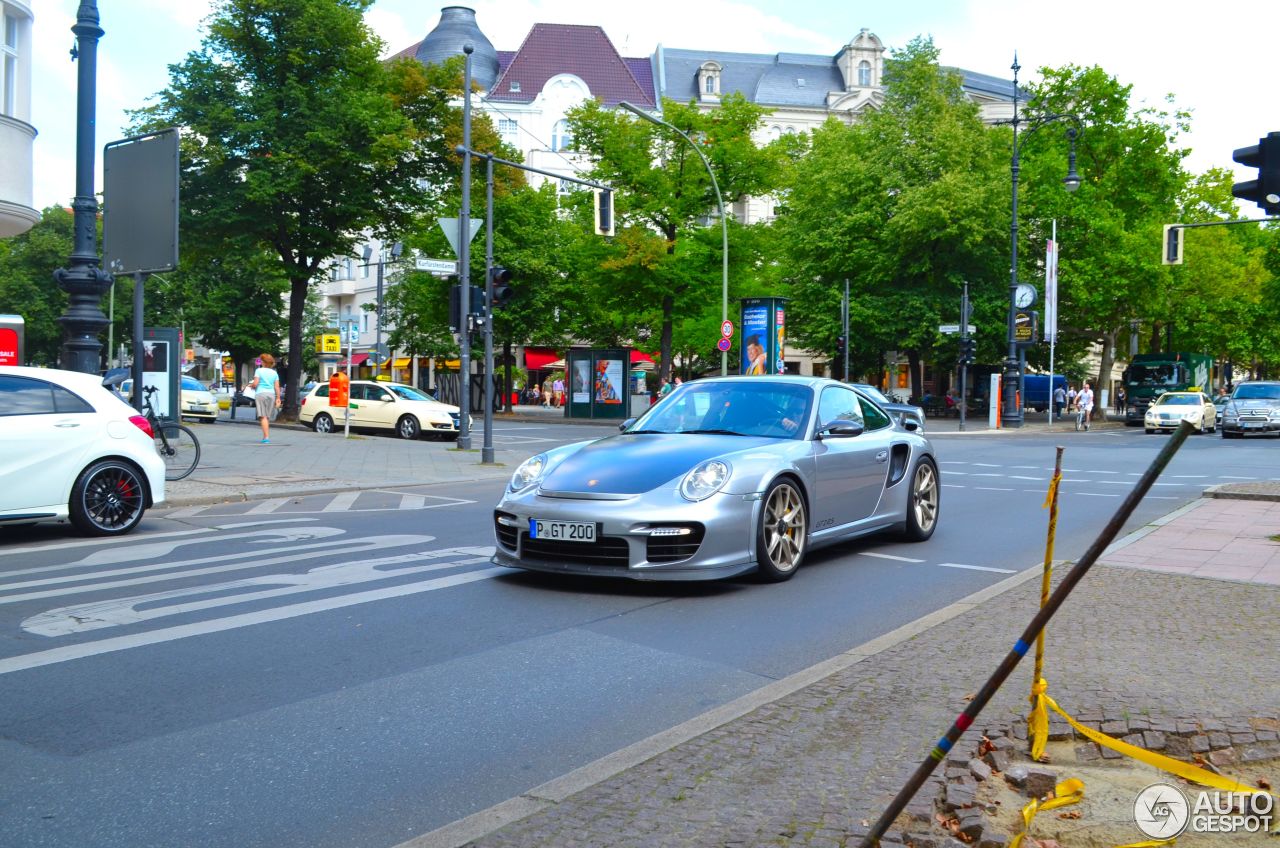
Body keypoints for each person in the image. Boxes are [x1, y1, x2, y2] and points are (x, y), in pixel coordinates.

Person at [247, 352, 281, 443]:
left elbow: (255, 383)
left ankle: (266, 437)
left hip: (261, 394)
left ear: (264, 362)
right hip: (271, 395)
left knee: (263, 417)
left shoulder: (259, 371)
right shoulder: (274, 373)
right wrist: (278, 398)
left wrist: (251, 385)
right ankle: (265, 436)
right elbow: (277, 387)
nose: (260, 362)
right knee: (267, 417)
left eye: (261, 360)